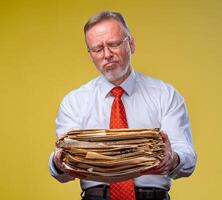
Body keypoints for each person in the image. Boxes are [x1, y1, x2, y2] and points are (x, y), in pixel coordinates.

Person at [49, 10, 197, 200]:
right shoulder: (74, 102)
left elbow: (187, 156)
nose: (107, 54)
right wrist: (58, 162)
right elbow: (63, 170)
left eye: (113, 44)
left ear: (131, 44)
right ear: (90, 55)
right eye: (97, 49)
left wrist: (173, 159)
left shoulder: (165, 95)